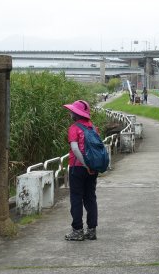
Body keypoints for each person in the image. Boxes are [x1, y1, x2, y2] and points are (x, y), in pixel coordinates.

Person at [62, 100, 99, 241]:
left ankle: (77, 231)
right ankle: (91, 230)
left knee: (76, 198)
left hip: (78, 167)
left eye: (72, 112)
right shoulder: (93, 128)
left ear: (76, 114)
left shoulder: (74, 128)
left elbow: (75, 149)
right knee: (90, 198)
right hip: (93, 168)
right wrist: (90, 165)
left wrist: (85, 164)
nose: (71, 113)